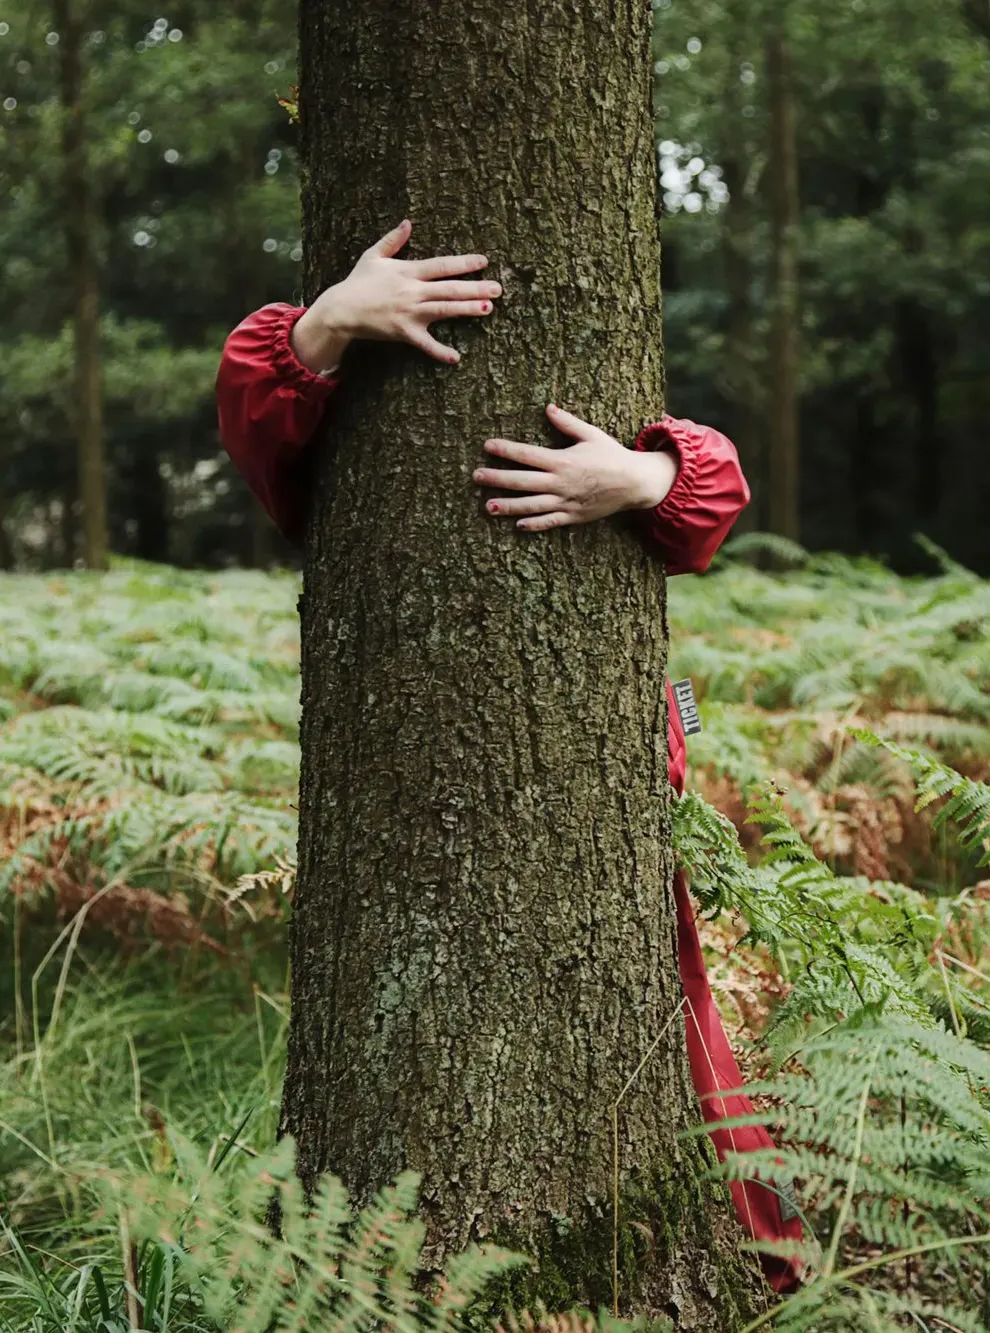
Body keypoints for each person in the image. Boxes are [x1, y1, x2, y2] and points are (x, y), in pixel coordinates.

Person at [215, 220, 802, 1291]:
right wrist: (329, 324)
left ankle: (753, 1264)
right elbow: (259, 430)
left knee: (684, 1042)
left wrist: (640, 477)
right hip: (415, 809)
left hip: (615, 802)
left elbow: (712, 502)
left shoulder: (637, 452)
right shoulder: (326, 420)